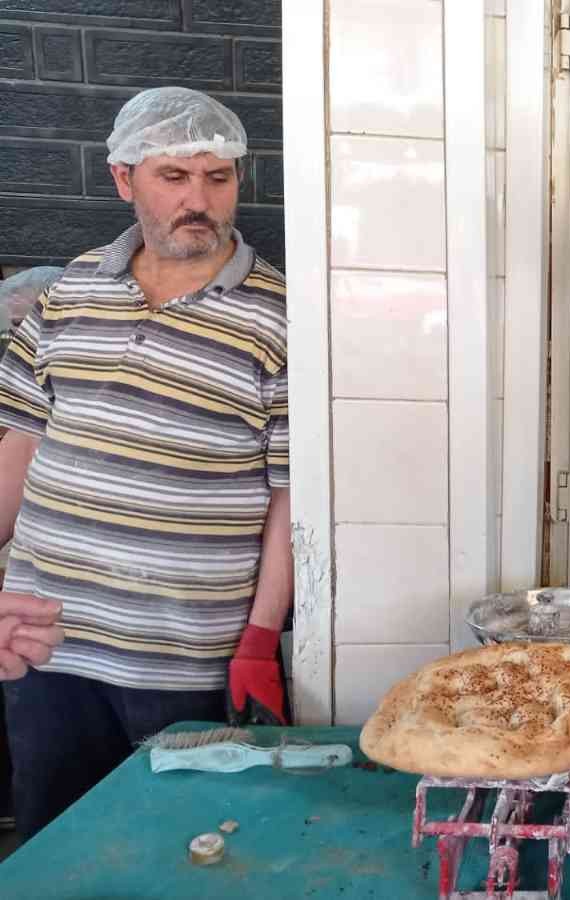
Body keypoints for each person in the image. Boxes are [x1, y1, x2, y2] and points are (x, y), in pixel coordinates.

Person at [0, 86, 291, 840]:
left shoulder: (281, 319)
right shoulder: (69, 289)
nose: (200, 199)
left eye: (218, 178)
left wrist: (261, 638)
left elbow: (291, 495)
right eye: (175, 177)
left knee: (180, 854)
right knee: (53, 845)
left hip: (183, 656)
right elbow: (20, 443)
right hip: (44, 639)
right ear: (124, 179)